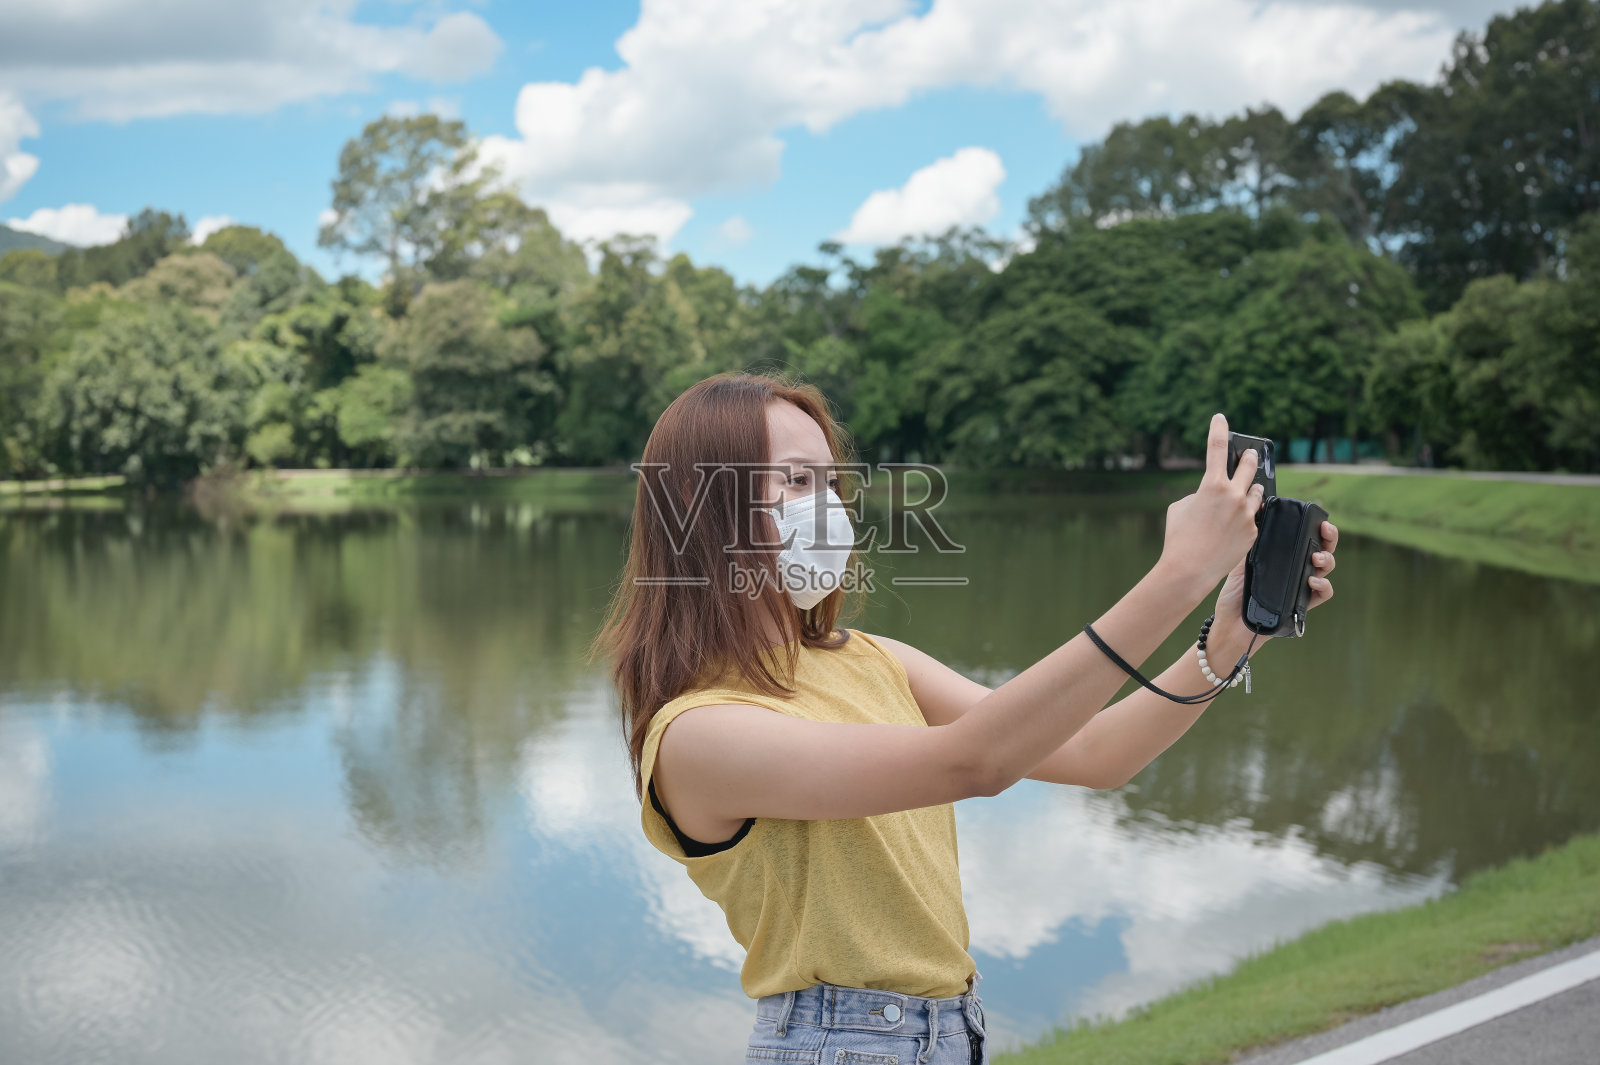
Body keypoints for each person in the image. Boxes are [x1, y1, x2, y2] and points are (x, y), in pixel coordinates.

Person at [595, 372, 1338, 1064]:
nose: (825, 505)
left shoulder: (871, 658)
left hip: (952, 1030)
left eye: (830, 483)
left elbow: (1093, 752)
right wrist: (1176, 575)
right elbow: (973, 761)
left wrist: (1230, 635)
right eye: (795, 480)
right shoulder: (698, 731)